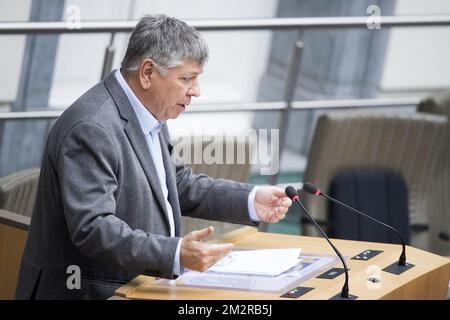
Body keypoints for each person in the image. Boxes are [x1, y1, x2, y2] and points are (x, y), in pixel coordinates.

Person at [15, 14, 292, 300]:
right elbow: (94, 228)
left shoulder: (148, 110)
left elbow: (176, 184)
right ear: (148, 73)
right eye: (186, 78)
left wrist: (249, 199)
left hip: (138, 288)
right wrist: (174, 253)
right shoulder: (91, 127)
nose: (196, 91)